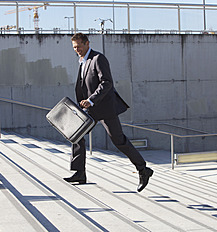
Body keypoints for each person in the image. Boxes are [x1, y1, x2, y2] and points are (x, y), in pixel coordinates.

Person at [64, 32, 153, 192]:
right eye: (74, 47)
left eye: (79, 46)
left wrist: (91, 99)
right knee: (75, 134)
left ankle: (143, 170)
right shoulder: (82, 61)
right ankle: (79, 172)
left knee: (118, 141)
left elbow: (106, 83)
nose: (77, 50)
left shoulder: (98, 59)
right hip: (90, 108)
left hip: (104, 108)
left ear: (87, 44)